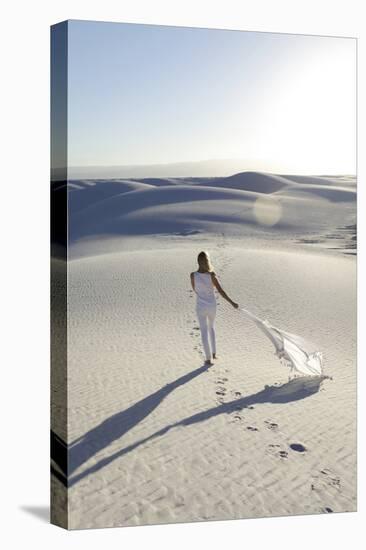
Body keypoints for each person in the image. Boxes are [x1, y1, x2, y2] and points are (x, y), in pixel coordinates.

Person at [190, 251, 239, 366]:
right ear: (207, 261)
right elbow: (221, 291)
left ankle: (208, 359)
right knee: (211, 327)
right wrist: (232, 303)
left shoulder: (193, 275)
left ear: (198, 261)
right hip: (211, 306)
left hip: (200, 306)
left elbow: (195, 289)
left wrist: (202, 294)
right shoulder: (211, 275)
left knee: (203, 331)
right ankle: (214, 353)